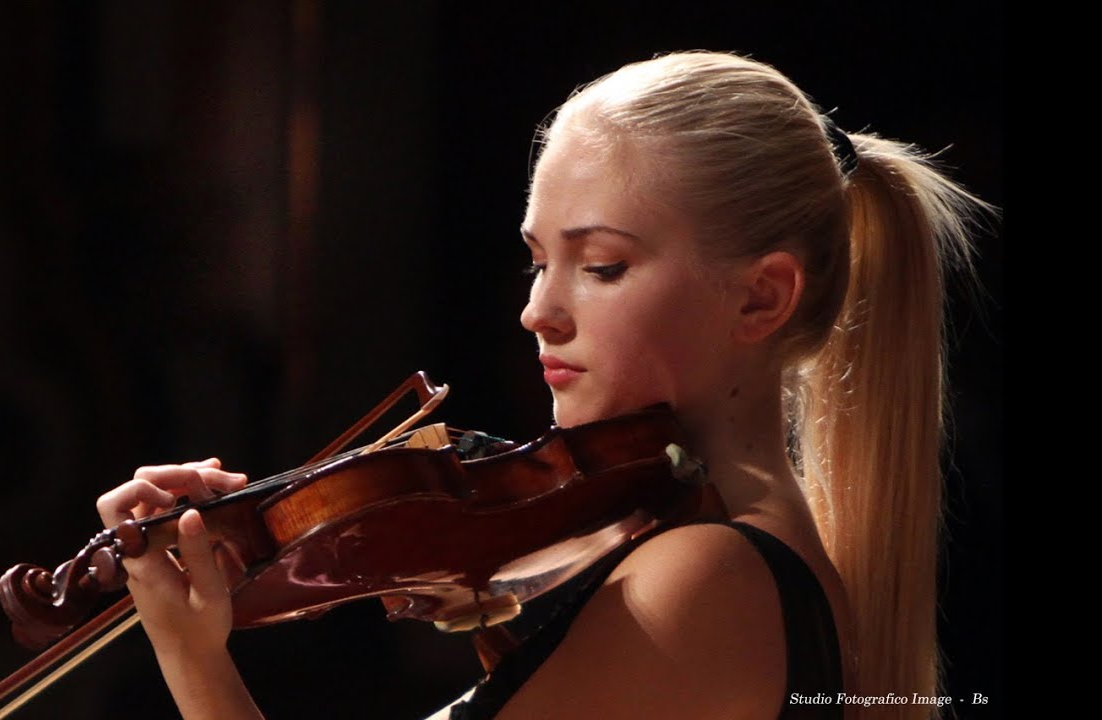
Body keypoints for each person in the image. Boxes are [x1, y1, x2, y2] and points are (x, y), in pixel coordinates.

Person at [95, 50, 994, 720]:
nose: (539, 313)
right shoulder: (694, 545)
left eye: (601, 265)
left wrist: (193, 658)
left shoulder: (707, 574)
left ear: (760, 296)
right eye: (537, 261)